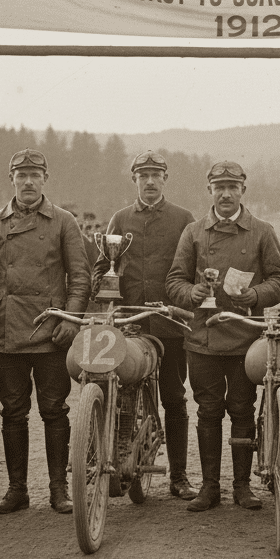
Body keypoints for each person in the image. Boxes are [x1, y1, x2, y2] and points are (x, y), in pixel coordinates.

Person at [0, 149, 90, 515]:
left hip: (50, 333)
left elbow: (80, 278)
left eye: (35, 174)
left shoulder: (64, 221)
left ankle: (59, 489)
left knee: (53, 409)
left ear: (45, 178)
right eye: (21, 174)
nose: (28, 181)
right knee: (12, 411)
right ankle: (17, 490)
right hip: (6, 332)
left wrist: (71, 318)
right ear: (11, 178)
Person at [166, 161, 280, 512]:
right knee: (207, 411)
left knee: (241, 409)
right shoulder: (193, 232)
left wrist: (255, 296)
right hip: (203, 338)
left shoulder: (262, 231)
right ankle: (210, 487)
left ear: (242, 191)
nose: (225, 193)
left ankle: (242, 486)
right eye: (219, 186)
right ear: (210, 191)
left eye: (232, 187)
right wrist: (190, 293)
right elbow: (174, 280)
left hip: (245, 339)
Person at [99, 150, 198, 498]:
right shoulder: (121, 219)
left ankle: (179, 477)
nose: (150, 182)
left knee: (174, 396)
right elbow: (102, 266)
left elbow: (194, 270)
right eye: (144, 176)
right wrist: (106, 291)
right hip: (130, 324)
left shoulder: (184, 219)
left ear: (166, 179)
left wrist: (184, 306)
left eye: (157, 175)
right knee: (125, 393)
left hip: (170, 323)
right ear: (135, 180)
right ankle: (122, 462)